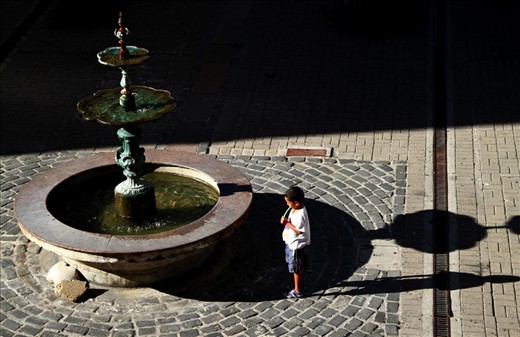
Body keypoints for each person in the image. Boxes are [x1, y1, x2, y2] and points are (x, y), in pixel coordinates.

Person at [280, 186, 311, 298]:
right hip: (293, 243)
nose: (287, 205)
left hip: (296, 246)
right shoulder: (297, 208)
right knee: (298, 267)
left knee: (296, 268)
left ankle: (298, 290)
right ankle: (300, 285)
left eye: (288, 203)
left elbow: (299, 231)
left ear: (296, 203)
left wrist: (286, 224)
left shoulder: (300, 215)